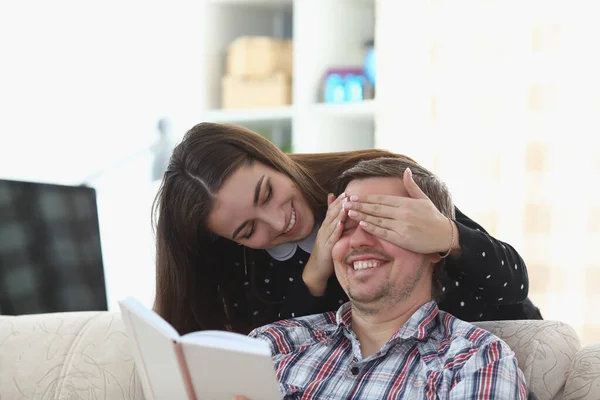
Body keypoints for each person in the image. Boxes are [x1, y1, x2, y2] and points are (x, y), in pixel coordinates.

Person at [152, 122, 541, 335]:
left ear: (270, 157)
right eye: (248, 230)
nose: (277, 221)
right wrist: (313, 275)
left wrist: (448, 236)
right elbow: (287, 349)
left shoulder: (373, 181)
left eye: (267, 192)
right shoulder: (244, 269)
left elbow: (512, 286)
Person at [245, 157, 528, 399]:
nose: (358, 240)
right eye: (344, 226)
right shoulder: (271, 345)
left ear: (433, 241)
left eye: (384, 222)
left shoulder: (476, 361)